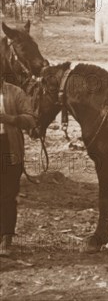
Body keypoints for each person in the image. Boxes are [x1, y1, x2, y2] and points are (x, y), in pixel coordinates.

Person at [0, 78, 37, 257]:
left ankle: (6, 237)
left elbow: (31, 119)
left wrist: (10, 119)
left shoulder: (15, 92)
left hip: (9, 148)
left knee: (8, 194)